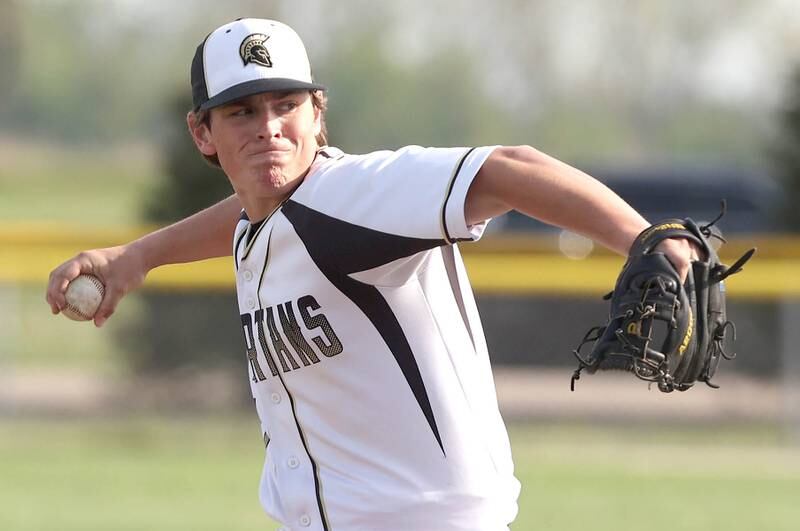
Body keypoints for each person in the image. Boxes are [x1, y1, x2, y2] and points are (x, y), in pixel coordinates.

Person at [46, 18, 698, 531]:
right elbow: (256, 216)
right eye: (243, 112)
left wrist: (643, 236)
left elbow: (505, 167)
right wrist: (138, 257)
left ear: (317, 112)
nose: (269, 128)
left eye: (285, 105)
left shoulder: (356, 194)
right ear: (203, 132)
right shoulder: (271, 219)